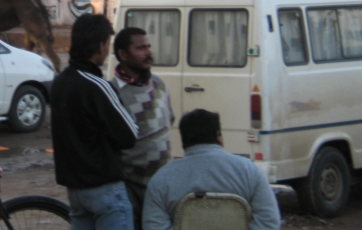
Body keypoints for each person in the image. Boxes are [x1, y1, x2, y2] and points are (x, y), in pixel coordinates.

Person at [51, 13, 139, 230]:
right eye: (107, 45)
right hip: (105, 190)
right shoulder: (97, 86)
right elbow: (129, 135)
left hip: (75, 191)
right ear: (101, 46)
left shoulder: (59, 83)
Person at [142, 109, 280, 230]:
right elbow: (269, 221)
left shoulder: (161, 180)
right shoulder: (250, 171)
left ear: (184, 141)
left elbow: (154, 226)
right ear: (218, 136)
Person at [109, 27, 175, 221]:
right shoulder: (113, 93)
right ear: (123, 55)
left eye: (148, 47)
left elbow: (169, 120)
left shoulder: (160, 85)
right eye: (140, 48)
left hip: (163, 185)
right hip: (130, 188)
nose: (148, 53)